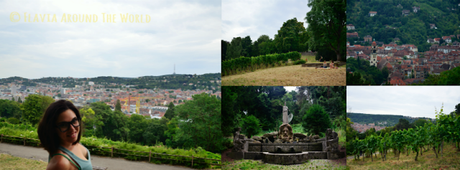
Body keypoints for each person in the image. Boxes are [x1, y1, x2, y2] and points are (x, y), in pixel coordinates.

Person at [38, 100, 93, 170]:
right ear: (52, 128)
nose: (72, 128)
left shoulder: (71, 142)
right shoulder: (61, 162)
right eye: (63, 125)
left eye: (74, 120)